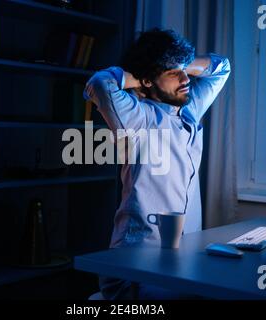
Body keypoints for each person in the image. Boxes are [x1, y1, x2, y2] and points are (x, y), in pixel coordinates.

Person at [83, 28, 231, 300]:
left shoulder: (188, 108)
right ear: (149, 80)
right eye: (174, 72)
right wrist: (142, 75)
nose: (186, 78)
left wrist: (179, 64)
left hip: (182, 261)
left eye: (185, 69)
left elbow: (222, 67)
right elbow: (99, 83)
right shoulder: (136, 117)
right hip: (135, 265)